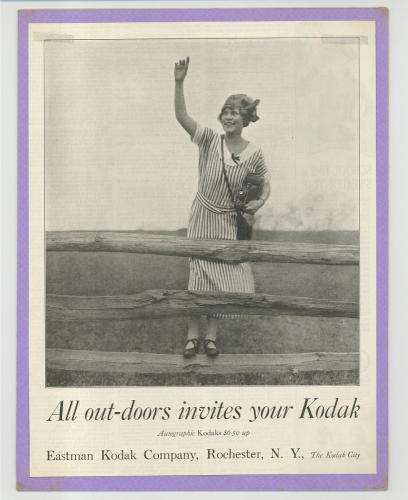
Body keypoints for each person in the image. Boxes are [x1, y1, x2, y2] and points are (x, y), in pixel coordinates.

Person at [174, 57, 271, 358]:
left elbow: (263, 184)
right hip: (202, 215)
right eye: (225, 113)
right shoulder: (208, 141)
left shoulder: (254, 152)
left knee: (222, 276)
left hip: (229, 221)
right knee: (199, 273)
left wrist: (258, 203)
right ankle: (193, 336)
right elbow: (182, 116)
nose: (229, 118)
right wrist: (179, 83)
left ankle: (211, 337)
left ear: (245, 119)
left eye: (235, 114)